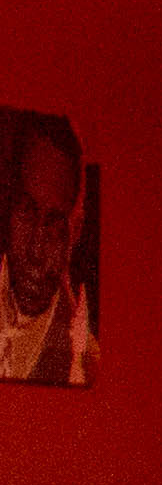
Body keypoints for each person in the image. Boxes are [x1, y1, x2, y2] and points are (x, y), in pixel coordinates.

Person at [2, 113, 97, 388]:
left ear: (75, 231)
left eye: (55, 227)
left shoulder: (85, 364)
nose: (35, 250)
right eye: (26, 212)